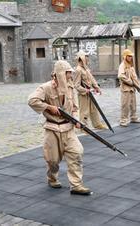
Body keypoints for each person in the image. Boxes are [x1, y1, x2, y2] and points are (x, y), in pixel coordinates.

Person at [28, 60, 91, 195]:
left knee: (77, 153)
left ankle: (76, 185)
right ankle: (52, 177)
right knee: (52, 160)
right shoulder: (45, 87)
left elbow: (74, 107)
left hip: (68, 129)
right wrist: (48, 107)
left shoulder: (70, 87)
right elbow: (32, 101)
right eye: (68, 73)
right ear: (61, 73)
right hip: (52, 129)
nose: (70, 76)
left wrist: (76, 120)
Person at [74, 51, 107, 130]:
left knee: (93, 109)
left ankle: (97, 124)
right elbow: (76, 85)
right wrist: (85, 90)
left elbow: (91, 79)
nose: (87, 59)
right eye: (86, 57)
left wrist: (96, 87)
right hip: (83, 94)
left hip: (90, 92)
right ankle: (83, 127)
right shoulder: (78, 70)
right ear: (81, 58)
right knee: (84, 111)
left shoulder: (86, 69)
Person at [118, 49, 140, 127]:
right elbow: (121, 76)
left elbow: (135, 77)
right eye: (129, 56)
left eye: (131, 56)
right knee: (125, 105)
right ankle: (123, 120)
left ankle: (133, 117)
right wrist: (130, 82)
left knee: (133, 104)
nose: (130, 58)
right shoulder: (122, 65)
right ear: (125, 57)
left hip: (132, 88)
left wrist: (138, 87)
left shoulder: (131, 66)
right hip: (126, 89)